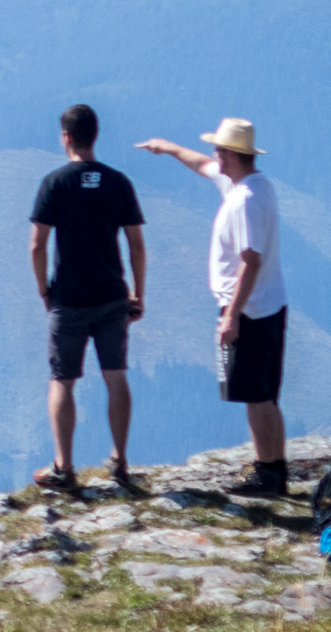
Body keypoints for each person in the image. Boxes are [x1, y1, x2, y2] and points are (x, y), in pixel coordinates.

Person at [136, 117, 289, 496]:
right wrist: (168, 147)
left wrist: (232, 315)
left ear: (230, 155)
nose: (212, 154)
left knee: (256, 394)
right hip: (268, 303)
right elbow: (203, 167)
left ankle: (268, 473)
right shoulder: (253, 184)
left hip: (250, 310)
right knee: (264, 392)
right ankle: (273, 467)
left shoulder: (245, 202)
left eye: (218, 149)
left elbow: (249, 260)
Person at [29, 104, 146, 491]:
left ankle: (64, 467)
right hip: (112, 295)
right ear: (95, 135)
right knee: (116, 377)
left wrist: (45, 290)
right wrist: (137, 293)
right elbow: (136, 245)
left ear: (66, 136)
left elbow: (37, 245)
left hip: (69, 298)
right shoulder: (118, 182)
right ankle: (120, 461)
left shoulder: (55, 183)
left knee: (62, 380)